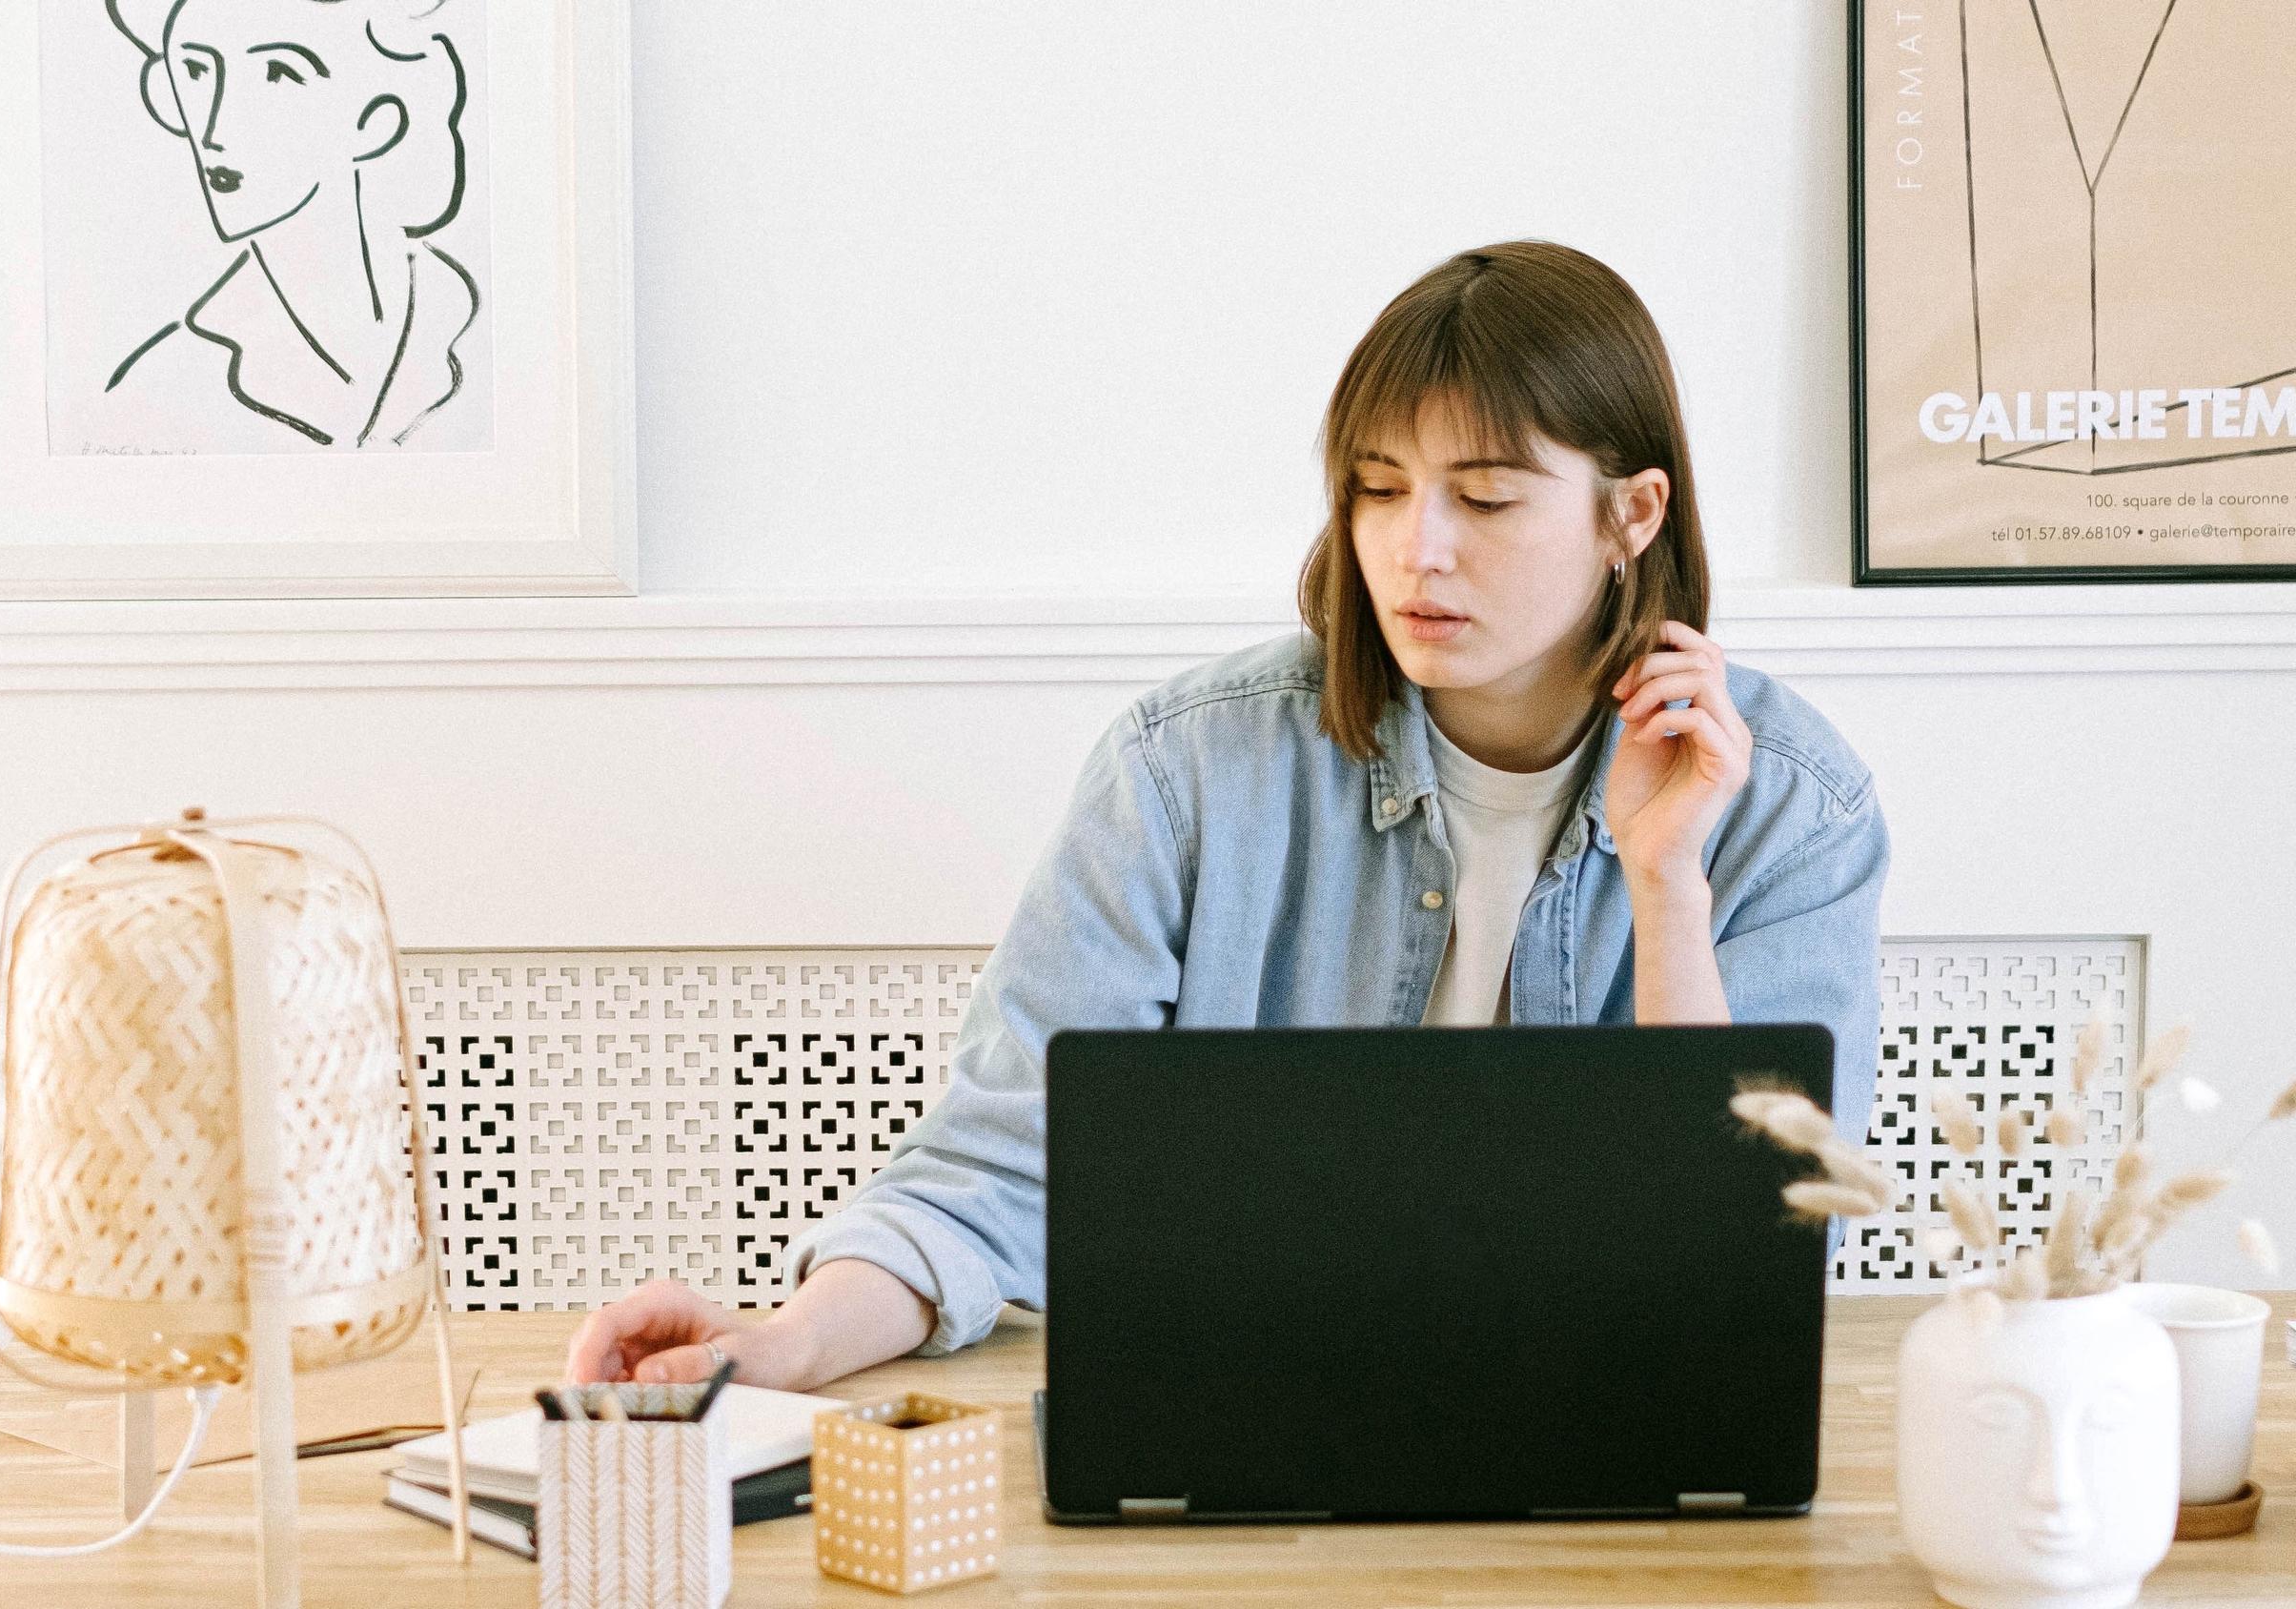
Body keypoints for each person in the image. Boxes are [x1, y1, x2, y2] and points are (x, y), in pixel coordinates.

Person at [565, 240, 1891, 1393]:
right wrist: (784, 1345)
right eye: (1377, 490)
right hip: (1258, 1424)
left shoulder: (1790, 808)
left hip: (1613, 1436)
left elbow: (1746, 1260)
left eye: (1483, 497)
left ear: (1631, 514)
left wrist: (1667, 890)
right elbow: (1005, 1166)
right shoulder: (1189, 771)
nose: (1415, 549)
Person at [100, 0, 480, 449]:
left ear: (376, 121)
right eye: (197, 71)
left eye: (278, 73)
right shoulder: (157, 391)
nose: (215, 130)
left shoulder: (471, 321)